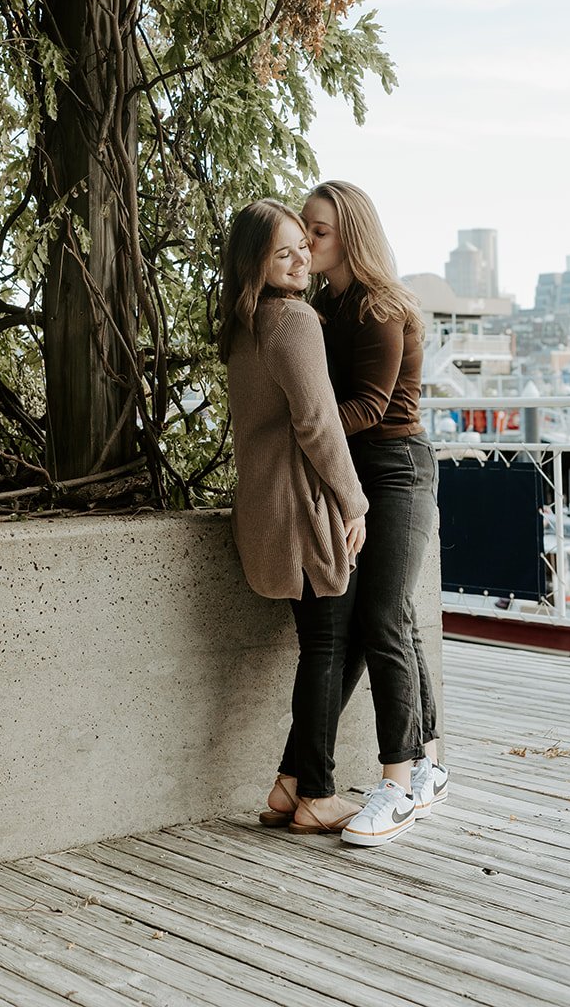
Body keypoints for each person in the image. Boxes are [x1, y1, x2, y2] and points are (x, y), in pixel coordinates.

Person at [302, 180, 448, 848]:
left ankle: (396, 787)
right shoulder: (321, 306)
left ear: (351, 236)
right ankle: (427, 762)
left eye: (320, 231)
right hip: (354, 471)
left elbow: (368, 406)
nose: (307, 240)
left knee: (383, 616)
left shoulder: (378, 306)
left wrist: (299, 437)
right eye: (304, 227)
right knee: (394, 616)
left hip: (397, 469)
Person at [219, 198, 369, 834]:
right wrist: (354, 500)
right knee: (332, 644)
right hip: (302, 507)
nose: (301, 259)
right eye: (282, 253)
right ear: (255, 264)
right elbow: (318, 422)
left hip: (261, 507)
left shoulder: (244, 324)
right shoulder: (294, 320)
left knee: (326, 643)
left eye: (302, 247)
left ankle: (289, 785)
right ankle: (317, 794)